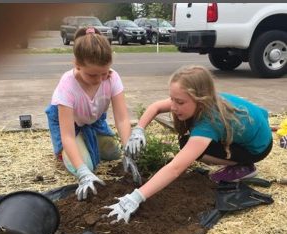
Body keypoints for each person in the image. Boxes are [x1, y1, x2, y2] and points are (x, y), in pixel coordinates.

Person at [104, 65, 273, 223]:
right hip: (256, 129)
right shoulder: (204, 101)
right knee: (186, 141)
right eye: (172, 99)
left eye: (180, 102)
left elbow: (176, 168)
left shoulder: (209, 123)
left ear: (200, 100)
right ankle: (237, 157)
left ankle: (243, 166)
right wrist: (139, 129)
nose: (174, 107)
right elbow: (155, 107)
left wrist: (136, 197)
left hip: (258, 148)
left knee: (190, 147)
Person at [45, 27, 140, 201]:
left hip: (92, 119)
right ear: (77, 64)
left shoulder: (112, 77)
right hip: (69, 123)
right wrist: (82, 173)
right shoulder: (67, 85)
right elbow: (67, 135)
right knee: (87, 166)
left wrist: (128, 151)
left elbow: (122, 118)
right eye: (92, 75)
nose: (99, 79)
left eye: (104, 73)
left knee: (113, 153)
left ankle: (89, 140)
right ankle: (63, 154)